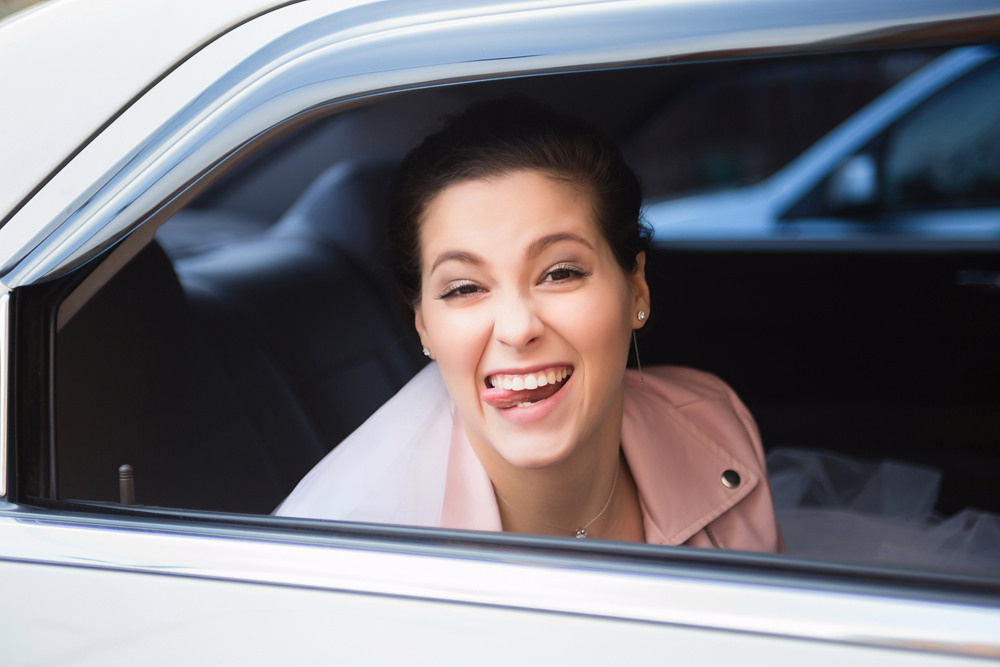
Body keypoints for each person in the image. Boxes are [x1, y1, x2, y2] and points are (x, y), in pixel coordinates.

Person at [276, 98, 783, 551]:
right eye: (464, 288)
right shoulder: (340, 550)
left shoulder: (713, 423)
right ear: (423, 326)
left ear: (636, 290)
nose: (517, 330)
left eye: (560, 273)